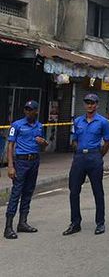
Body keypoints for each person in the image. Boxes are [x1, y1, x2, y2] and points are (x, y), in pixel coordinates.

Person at [63, 93, 109, 236]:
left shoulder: (103, 122)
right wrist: (78, 150)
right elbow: (74, 139)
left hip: (94, 157)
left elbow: (108, 141)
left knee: (97, 191)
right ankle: (75, 222)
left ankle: (100, 223)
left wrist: (98, 155)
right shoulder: (78, 121)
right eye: (87, 103)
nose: (90, 105)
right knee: (74, 191)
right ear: (84, 104)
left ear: (97, 105)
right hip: (79, 158)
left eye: (93, 103)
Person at [4, 100, 48, 240]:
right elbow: (10, 145)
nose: (28, 112)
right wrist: (10, 166)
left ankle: (22, 222)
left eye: (31, 110)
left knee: (28, 192)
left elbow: (43, 146)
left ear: (36, 111)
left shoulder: (39, 126)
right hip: (21, 162)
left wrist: (44, 143)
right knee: (16, 193)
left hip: (34, 161)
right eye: (26, 109)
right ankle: (8, 226)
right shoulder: (17, 125)